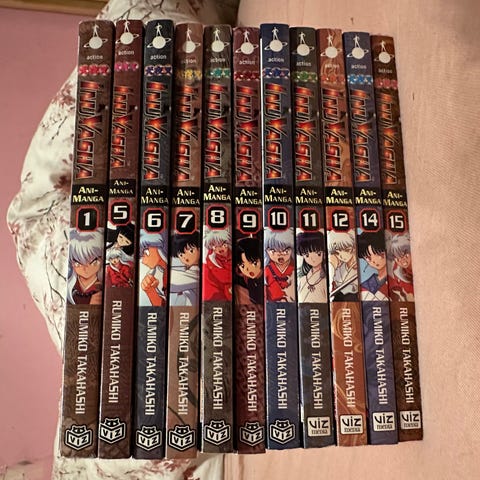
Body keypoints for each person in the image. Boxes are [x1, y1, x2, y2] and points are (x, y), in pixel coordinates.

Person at [66, 229, 104, 305]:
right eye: (78, 263)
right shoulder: (69, 287)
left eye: (93, 262)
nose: (85, 268)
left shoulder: (102, 287)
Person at [169, 231, 201, 306]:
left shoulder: (196, 273)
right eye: (180, 254)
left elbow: (173, 283)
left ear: (199, 249)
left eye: (191, 251)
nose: (185, 256)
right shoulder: (191, 272)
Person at [264, 228, 295, 302]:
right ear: (267, 251)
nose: (279, 254)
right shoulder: (267, 270)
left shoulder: (294, 269)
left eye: (286, 251)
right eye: (273, 251)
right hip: (272, 306)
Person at [296, 230, 327, 303]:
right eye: (307, 255)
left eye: (318, 253)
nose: (312, 259)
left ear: (324, 253)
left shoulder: (325, 278)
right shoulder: (302, 279)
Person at [139, 229, 168, 306]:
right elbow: (162, 307)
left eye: (146, 252)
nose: (143, 261)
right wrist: (150, 291)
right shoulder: (160, 273)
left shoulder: (177, 272)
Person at [357, 230, 388, 301]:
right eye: (368, 258)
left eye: (380, 254)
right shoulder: (366, 285)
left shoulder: (396, 278)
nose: (374, 261)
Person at [202, 227, 232, 301]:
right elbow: (221, 277)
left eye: (223, 244)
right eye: (215, 246)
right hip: (220, 285)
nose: (220, 248)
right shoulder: (211, 259)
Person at [327, 230, 358, 301]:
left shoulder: (359, 267)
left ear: (351, 249)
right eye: (337, 253)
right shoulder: (339, 268)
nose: (340, 256)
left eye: (345, 250)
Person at [234, 236, 263, 305]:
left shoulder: (268, 278)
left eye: (254, 263)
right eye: (242, 266)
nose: (247, 269)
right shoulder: (248, 280)